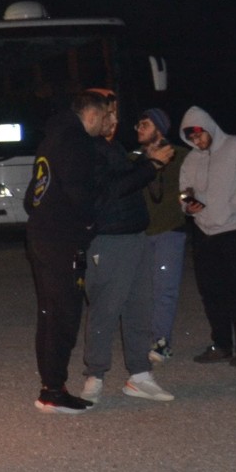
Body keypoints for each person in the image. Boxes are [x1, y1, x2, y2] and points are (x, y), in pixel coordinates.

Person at [24, 90, 116, 414]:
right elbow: (80, 194)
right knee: (64, 315)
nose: (108, 123)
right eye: (106, 116)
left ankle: (51, 386)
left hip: (41, 236)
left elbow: (32, 196)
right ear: (92, 115)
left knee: (49, 313)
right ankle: (53, 392)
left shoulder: (51, 139)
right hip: (61, 241)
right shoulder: (77, 142)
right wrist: (89, 224)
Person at [79, 100, 175, 402]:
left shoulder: (114, 148)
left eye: (116, 115)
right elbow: (111, 189)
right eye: (109, 114)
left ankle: (140, 375)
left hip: (135, 236)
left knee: (139, 309)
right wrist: (151, 166)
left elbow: (128, 179)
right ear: (93, 116)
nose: (115, 120)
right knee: (105, 310)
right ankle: (94, 377)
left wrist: (147, 161)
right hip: (109, 239)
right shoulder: (87, 148)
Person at [178, 106, 236, 364]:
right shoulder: (191, 159)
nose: (197, 141)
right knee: (211, 290)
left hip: (234, 228)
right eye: (192, 138)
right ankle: (222, 343)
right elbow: (184, 191)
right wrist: (188, 206)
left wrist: (228, 209)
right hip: (204, 230)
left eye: (200, 135)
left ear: (209, 127)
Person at [135, 108, 188, 362]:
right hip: (141, 232)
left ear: (159, 128)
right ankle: (144, 337)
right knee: (143, 290)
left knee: (165, 288)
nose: (139, 129)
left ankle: (162, 341)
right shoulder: (134, 158)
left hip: (170, 230)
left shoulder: (181, 156)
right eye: (138, 125)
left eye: (145, 124)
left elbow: (195, 184)